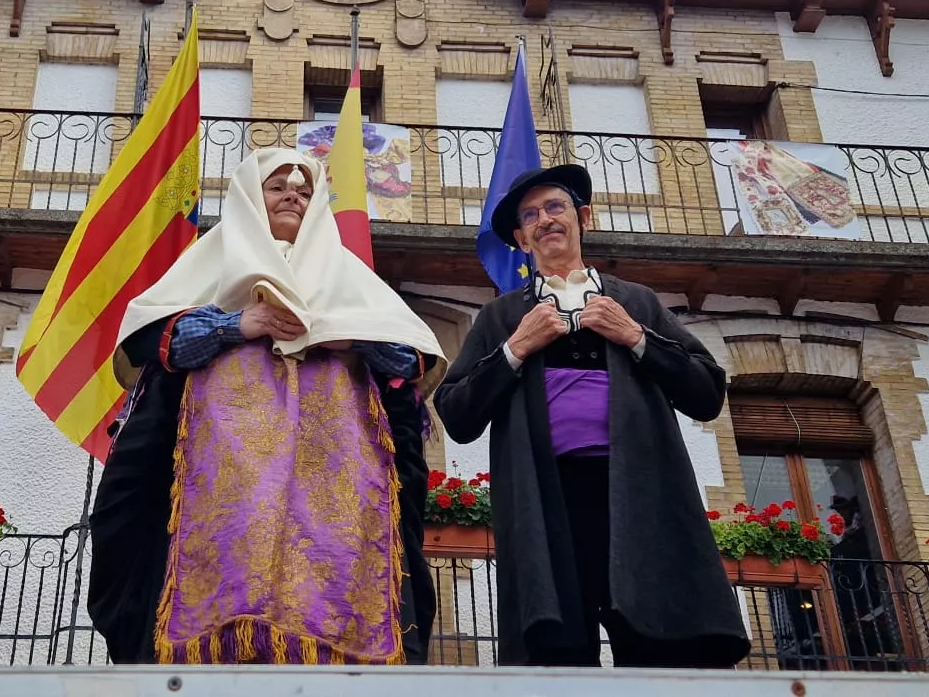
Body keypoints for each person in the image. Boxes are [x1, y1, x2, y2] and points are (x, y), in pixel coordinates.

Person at [87, 148, 443, 665]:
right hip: (217, 476)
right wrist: (236, 325)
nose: (292, 195)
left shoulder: (348, 276)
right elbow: (156, 340)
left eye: (303, 191)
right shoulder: (212, 259)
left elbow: (408, 358)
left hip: (337, 477)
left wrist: (345, 333)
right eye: (278, 187)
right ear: (252, 199)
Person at [434, 165, 750, 668]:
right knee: (559, 649)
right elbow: (456, 413)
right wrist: (516, 348)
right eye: (530, 215)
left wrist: (636, 337)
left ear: (583, 217)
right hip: (546, 499)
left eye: (555, 207)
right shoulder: (500, 317)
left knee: (657, 642)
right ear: (520, 238)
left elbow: (706, 392)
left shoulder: (635, 301)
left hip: (638, 493)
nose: (544, 220)